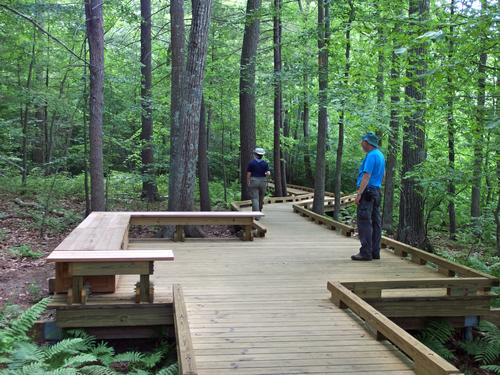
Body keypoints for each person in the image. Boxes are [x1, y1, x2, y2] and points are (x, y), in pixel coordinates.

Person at [351, 132, 385, 261]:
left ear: (367, 142)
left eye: (362, 142)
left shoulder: (371, 156)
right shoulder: (380, 155)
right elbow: (383, 175)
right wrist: (377, 187)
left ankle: (365, 252)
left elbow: (366, 175)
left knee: (364, 221)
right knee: (376, 222)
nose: (361, 144)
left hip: (367, 192)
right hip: (376, 191)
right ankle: (375, 251)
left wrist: (359, 194)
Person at [246, 147, 271, 214]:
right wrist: (267, 174)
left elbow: (248, 174)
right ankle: (259, 210)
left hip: (253, 181)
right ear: (262, 155)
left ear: (255, 154)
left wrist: (248, 182)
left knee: (254, 198)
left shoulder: (251, 163)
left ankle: (256, 214)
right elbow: (268, 172)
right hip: (263, 181)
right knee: (261, 197)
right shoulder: (265, 163)